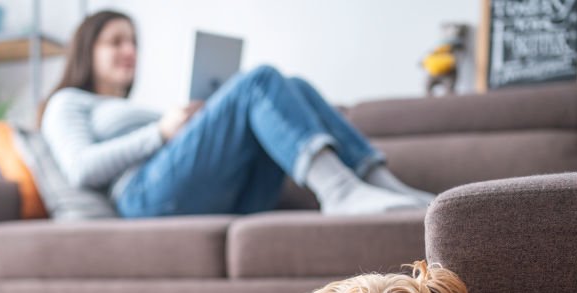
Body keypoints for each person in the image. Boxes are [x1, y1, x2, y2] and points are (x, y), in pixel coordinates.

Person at [41, 10, 435, 219]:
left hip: (216, 196)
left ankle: (386, 188)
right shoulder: (69, 102)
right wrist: (160, 133)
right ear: (86, 50)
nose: (129, 50)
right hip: (142, 200)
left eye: (133, 42)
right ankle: (339, 192)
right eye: (116, 41)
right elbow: (80, 167)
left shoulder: (133, 106)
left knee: (293, 85)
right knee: (259, 80)